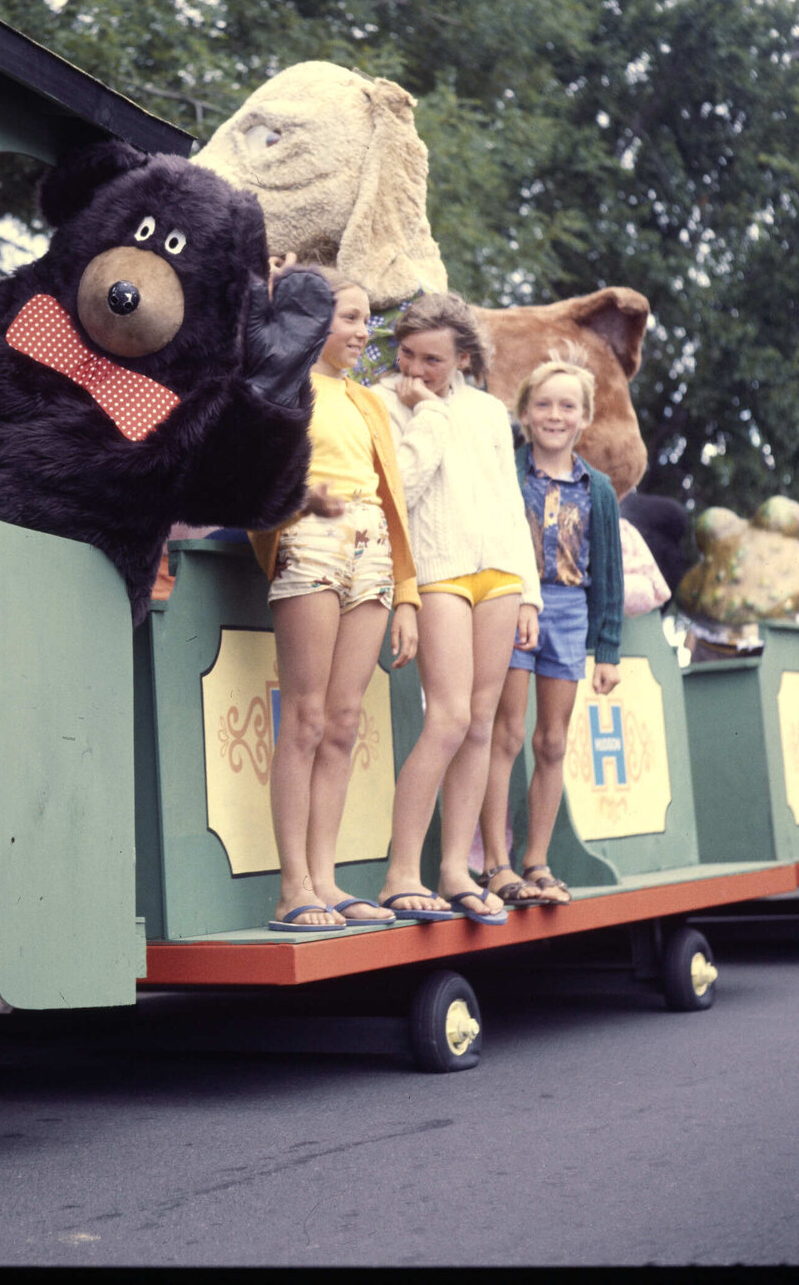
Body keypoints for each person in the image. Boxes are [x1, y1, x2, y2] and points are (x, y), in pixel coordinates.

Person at [247, 262, 422, 931]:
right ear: (312, 320)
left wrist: (407, 591)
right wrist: (260, 290)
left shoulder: (367, 400)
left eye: (364, 318)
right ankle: (294, 886)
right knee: (308, 717)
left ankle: (325, 876)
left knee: (346, 719)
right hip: (310, 536)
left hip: (371, 541)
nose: (363, 331)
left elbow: (394, 497)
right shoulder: (280, 383)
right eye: (349, 317)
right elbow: (248, 459)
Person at [368, 293, 542, 924]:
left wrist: (530, 591)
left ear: (464, 356)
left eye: (433, 360)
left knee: (480, 722)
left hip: (498, 574)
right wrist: (426, 413)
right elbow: (402, 491)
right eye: (407, 355)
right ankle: (400, 873)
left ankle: (454, 870)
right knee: (444, 719)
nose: (416, 370)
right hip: (437, 572)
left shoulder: (493, 413)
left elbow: (507, 500)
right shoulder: (388, 403)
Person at [481, 347, 623, 906]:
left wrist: (607, 649)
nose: (555, 415)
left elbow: (606, 573)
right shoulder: (509, 475)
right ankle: (495, 862)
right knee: (506, 734)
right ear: (525, 413)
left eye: (568, 406)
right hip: (514, 603)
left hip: (568, 611)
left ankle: (536, 860)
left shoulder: (599, 490)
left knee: (552, 740)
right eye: (543, 404)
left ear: (584, 418)